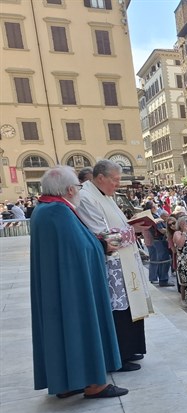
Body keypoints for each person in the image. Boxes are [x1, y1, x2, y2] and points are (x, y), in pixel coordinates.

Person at [30, 166, 126, 399]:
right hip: (73, 287)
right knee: (79, 326)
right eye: (79, 187)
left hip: (56, 286)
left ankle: (65, 382)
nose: (79, 191)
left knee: (59, 329)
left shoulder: (43, 210)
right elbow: (81, 247)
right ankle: (94, 384)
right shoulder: (60, 212)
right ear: (70, 189)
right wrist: (102, 246)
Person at [76, 159, 152, 372]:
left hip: (124, 261)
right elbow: (102, 236)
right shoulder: (86, 197)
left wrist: (132, 224)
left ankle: (131, 348)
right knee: (118, 310)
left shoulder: (104, 195)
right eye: (116, 180)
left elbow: (116, 225)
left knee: (129, 307)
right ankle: (119, 355)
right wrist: (133, 232)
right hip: (111, 264)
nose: (118, 184)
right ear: (101, 178)